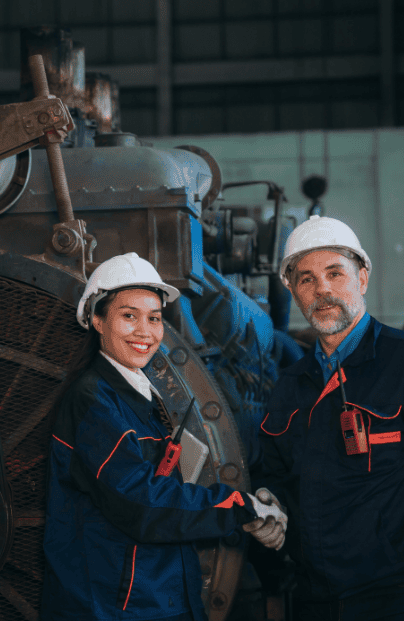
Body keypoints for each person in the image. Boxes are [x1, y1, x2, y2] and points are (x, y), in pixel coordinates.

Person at [253, 215, 404, 621]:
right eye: (306, 279)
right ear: (292, 291)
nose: (322, 289)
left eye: (334, 273)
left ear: (362, 277)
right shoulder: (291, 385)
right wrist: (273, 506)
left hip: (401, 600)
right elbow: (278, 477)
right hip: (317, 602)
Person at [41, 252, 287, 621]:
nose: (145, 331)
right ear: (96, 320)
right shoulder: (93, 403)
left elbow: (176, 473)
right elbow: (143, 503)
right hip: (114, 607)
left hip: (155, 593)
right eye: (129, 316)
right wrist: (241, 507)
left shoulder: (139, 392)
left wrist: (252, 503)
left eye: (154, 318)